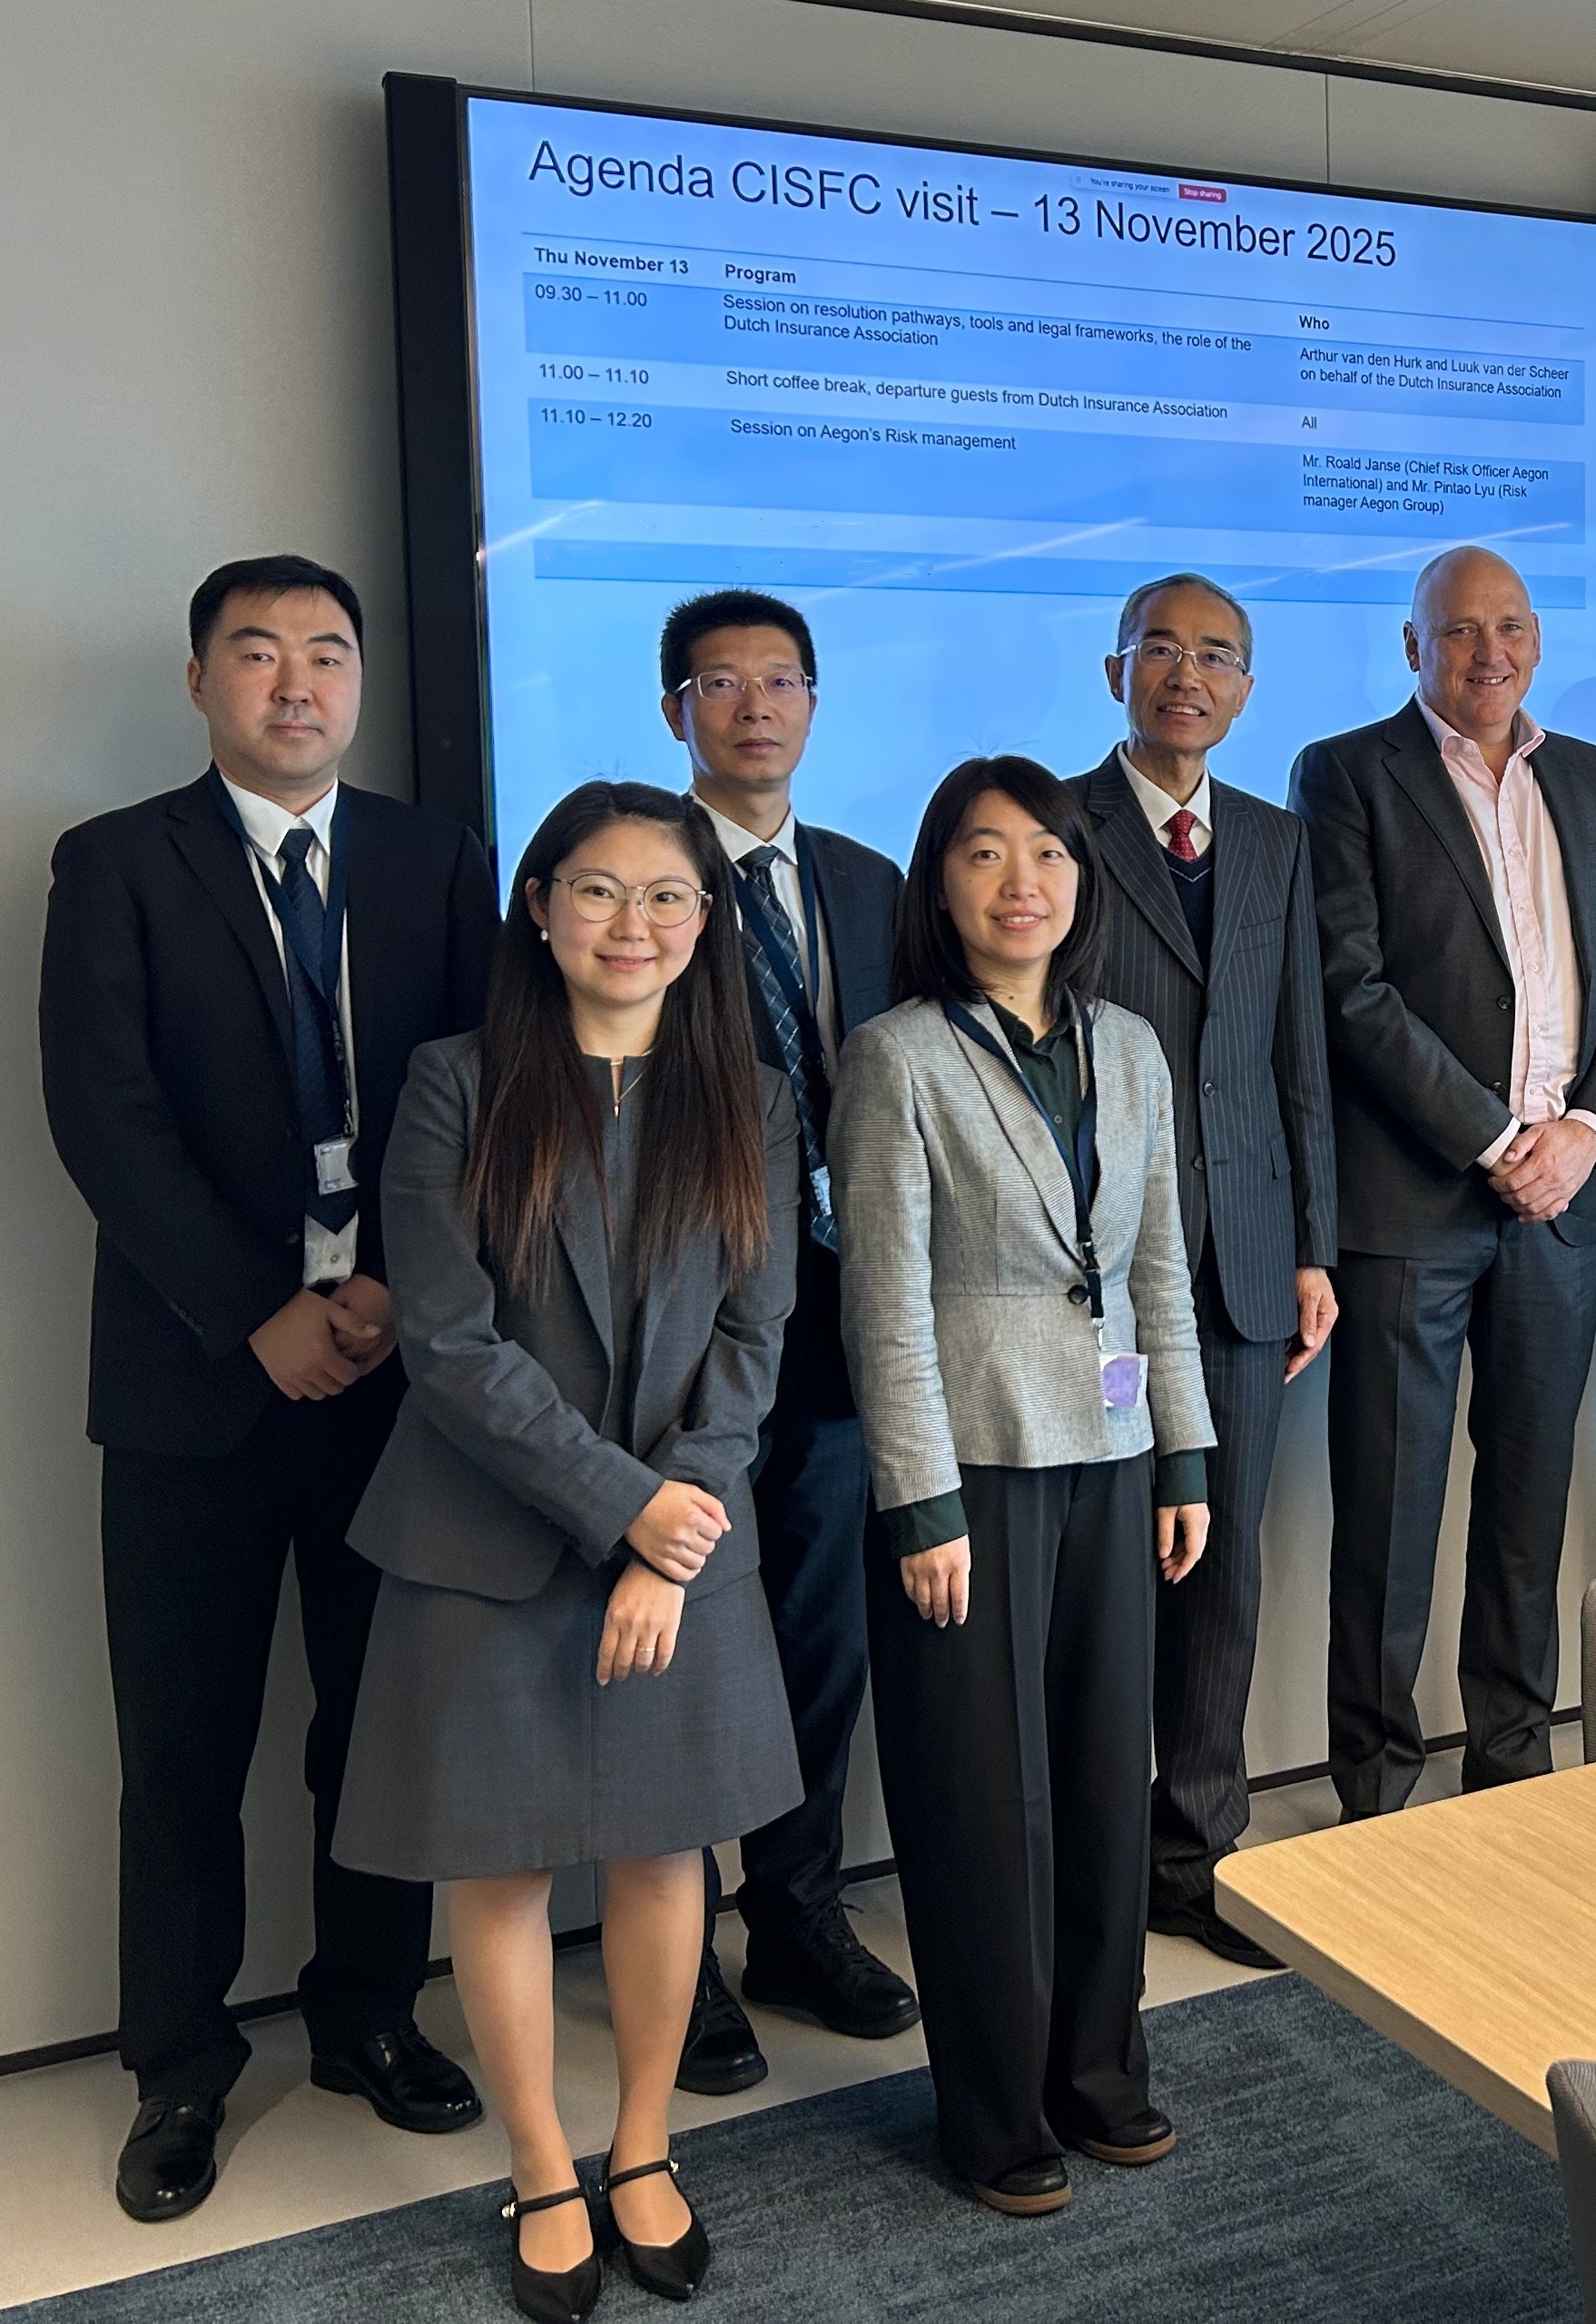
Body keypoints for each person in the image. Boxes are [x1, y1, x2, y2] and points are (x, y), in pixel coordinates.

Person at [38, 555, 492, 2224]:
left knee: (379, 1730)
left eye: (326, 653)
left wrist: (391, 1287)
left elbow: (485, 1093)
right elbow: (104, 1118)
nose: (296, 683)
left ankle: (369, 2015)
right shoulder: (116, 864)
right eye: (257, 653)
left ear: (358, 678)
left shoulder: (435, 859)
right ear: (198, 681)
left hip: (395, 1380)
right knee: (182, 1750)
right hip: (193, 1390)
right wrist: (256, 1314)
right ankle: (178, 2067)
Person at [334, 783, 802, 2321]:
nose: (631, 924)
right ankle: (543, 2165)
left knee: (669, 1853)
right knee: (504, 1863)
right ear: (537, 908)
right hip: (486, 1543)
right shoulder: (454, 1084)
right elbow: (450, 1345)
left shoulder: (751, 1098)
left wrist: (670, 1539)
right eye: (596, 890)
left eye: (666, 896)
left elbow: (754, 1340)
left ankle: (644, 2146)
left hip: (689, 1539)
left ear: (705, 923)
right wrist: (623, 1508)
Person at [833, 758, 1217, 2217]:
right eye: (985, 855)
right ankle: (994, 2114)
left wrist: (1183, 1452)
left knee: (1106, 1785)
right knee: (982, 1806)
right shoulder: (897, 1058)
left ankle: (1099, 2073)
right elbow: (884, 1300)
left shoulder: (1130, 1046)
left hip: (1111, 1459)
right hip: (972, 1472)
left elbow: (1158, 1261)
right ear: (940, 883)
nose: (1021, 883)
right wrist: (918, 1501)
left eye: (1048, 854)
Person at [1296, 547, 1596, 1817]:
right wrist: (1498, 1140)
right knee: (1387, 1519)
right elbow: (1350, 987)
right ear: (1413, 648)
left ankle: (1513, 1772)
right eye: (1457, 631)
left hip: (1566, 1202)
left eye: (1507, 627)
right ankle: (1375, 1797)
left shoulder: (1589, 773)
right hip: (1416, 1203)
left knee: (1526, 1507)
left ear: (1537, 641)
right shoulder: (1346, 772)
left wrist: (1587, 1133)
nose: (1486, 653)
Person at [649, 589, 919, 2093]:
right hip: (683, 1329)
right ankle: (675, 1952)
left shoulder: (870, 885)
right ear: (674, 711)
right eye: (721, 683)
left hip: (837, 1317)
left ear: (814, 703)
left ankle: (798, 1915)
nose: (755, 707)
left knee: (821, 1631)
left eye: (780, 681)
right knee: (685, 1635)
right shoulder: (636, 873)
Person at [1068, 574, 1337, 1970]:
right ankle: (1091, 1855)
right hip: (1099, 1278)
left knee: (1222, 1572)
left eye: (1217, 655)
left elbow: (1299, 1056)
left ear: (1246, 687)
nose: (1189, 675)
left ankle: (1199, 1858)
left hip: (1242, 1265)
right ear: (1114, 669)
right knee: (1111, 1566)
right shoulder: (1056, 826)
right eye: (1162, 650)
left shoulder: (1278, 841)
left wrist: (1313, 1246)